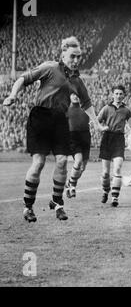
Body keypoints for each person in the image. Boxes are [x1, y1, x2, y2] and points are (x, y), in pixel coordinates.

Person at [2, 36, 107, 222]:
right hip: (40, 117)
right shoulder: (49, 68)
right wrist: (12, 95)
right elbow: (23, 79)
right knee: (39, 163)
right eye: (72, 56)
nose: (76, 61)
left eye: (79, 57)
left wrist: (97, 123)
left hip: (60, 120)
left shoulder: (76, 80)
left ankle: (58, 203)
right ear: (63, 54)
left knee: (61, 161)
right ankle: (28, 207)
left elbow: (87, 102)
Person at [98, 85, 131, 207]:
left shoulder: (126, 110)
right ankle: (105, 191)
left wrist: (130, 130)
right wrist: (102, 128)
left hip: (119, 139)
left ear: (124, 95)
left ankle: (114, 197)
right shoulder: (106, 108)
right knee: (105, 173)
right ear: (113, 95)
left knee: (118, 168)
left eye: (121, 94)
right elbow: (96, 121)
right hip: (107, 138)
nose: (118, 96)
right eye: (116, 93)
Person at [65, 93, 91, 199]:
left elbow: (95, 119)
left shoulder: (86, 109)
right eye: (73, 94)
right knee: (78, 160)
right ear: (69, 96)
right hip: (73, 137)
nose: (76, 96)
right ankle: (73, 187)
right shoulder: (66, 109)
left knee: (82, 168)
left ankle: (69, 182)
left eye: (78, 94)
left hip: (85, 137)